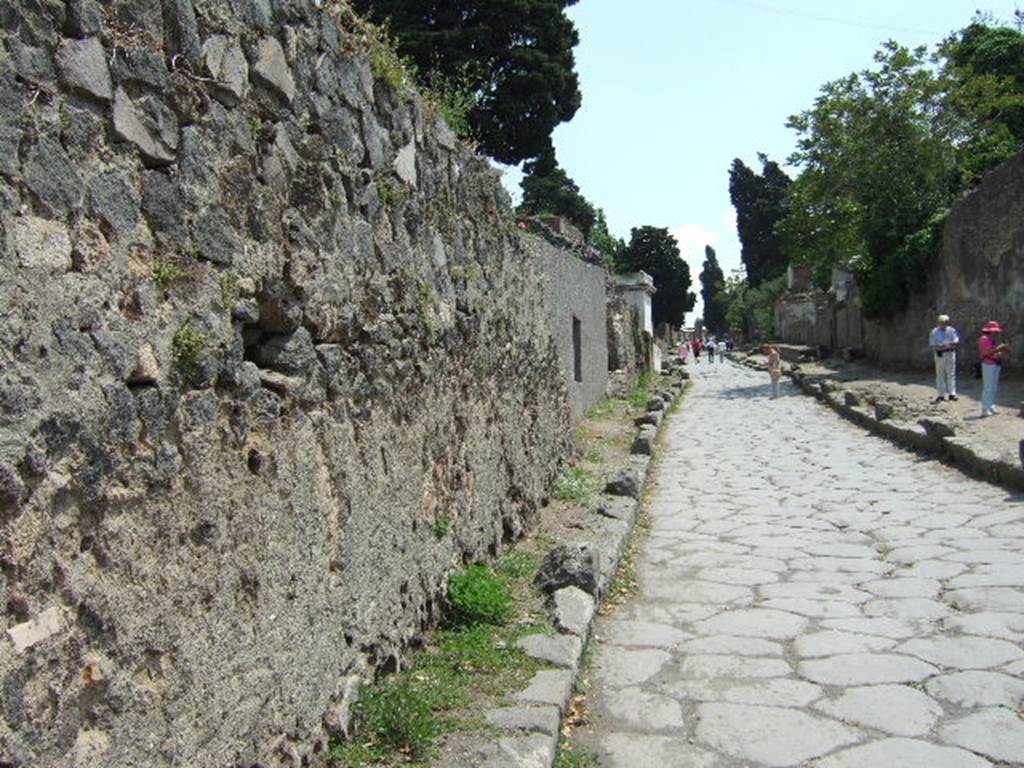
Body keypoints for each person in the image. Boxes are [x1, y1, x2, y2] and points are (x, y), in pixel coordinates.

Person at [978, 320, 1010, 417]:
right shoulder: (984, 339)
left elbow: (995, 353)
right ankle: (984, 409)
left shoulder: (992, 340)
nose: (996, 333)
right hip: (988, 364)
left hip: (995, 363)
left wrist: (1003, 351)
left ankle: (991, 405)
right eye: (994, 331)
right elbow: (987, 352)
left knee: (994, 386)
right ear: (989, 331)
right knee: (988, 387)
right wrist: (999, 348)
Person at [929, 313, 960, 403]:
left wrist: (949, 344)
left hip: (950, 353)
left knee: (951, 374)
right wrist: (941, 346)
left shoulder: (951, 330)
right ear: (939, 322)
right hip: (940, 354)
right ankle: (941, 395)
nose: (944, 324)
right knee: (940, 375)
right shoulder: (934, 332)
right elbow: (932, 345)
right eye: (943, 322)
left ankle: (952, 394)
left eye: (946, 322)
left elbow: (956, 341)